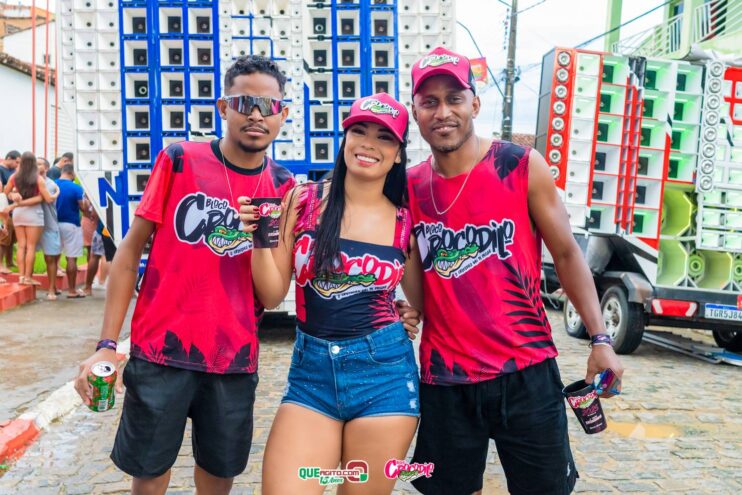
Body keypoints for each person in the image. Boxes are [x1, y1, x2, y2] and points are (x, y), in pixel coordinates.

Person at [399, 47, 625, 495]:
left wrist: (601, 339)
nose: (442, 112)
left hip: (526, 370)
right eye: (429, 102)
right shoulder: (409, 187)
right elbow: (418, 286)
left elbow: (567, 255)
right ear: (415, 111)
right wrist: (400, 306)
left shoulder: (519, 165)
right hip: (445, 377)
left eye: (454, 99)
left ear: (474, 103)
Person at [73, 55, 295, 495]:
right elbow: (129, 252)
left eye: (268, 106)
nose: (256, 114)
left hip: (233, 357)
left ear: (282, 114)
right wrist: (106, 346)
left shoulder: (284, 186)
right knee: (149, 471)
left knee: (219, 473)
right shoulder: (180, 160)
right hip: (161, 351)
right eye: (244, 102)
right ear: (223, 107)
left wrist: (259, 236)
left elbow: (272, 296)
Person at [239, 92, 423, 495]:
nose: (368, 144)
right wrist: (257, 238)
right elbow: (272, 295)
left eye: (384, 137)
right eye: (359, 131)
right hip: (311, 377)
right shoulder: (303, 200)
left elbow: (426, 301)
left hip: (385, 378)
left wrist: (402, 311)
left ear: (398, 154)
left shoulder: (405, 221)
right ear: (345, 139)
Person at [3, 152, 52, 285]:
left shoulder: (14, 176)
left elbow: (5, 193)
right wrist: (56, 193)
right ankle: (27, 277)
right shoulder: (38, 178)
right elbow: (47, 198)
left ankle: (21, 276)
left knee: (21, 246)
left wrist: (13, 194)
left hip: (18, 213)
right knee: (31, 247)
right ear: (34, 163)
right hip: (34, 213)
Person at [55, 163, 88, 298]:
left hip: (53, 224)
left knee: (53, 257)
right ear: (72, 173)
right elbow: (83, 208)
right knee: (71, 258)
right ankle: (72, 290)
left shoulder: (52, 184)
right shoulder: (76, 188)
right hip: (71, 224)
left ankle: (53, 288)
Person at [37, 157, 62, 299]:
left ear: (46, 168)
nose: (36, 166)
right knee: (28, 253)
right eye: (34, 164)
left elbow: (43, 198)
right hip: (33, 224)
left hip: (49, 225)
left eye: (39, 164)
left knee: (50, 257)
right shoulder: (30, 182)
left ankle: (52, 289)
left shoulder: (51, 184)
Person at [0, 150, 21, 274]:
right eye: (16, 162)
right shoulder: (1, 170)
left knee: (11, 239)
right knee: (3, 238)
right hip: (4, 208)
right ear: (9, 158)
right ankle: (0, 264)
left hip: (13, 208)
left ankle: (9, 261)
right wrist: (11, 189)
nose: (17, 165)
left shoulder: (13, 171)